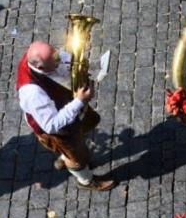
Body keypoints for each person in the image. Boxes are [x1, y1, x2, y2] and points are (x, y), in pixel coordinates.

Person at [16, 41, 116, 191]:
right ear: (40, 67)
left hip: (65, 106)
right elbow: (52, 125)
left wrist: (86, 65)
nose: (60, 60)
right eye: (55, 61)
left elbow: (62, 59)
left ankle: (64, 157)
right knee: (76, 157)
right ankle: (85, 181)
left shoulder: (40, 57)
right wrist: (79, 101)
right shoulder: (32, 93)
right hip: (58, 130)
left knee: (87, 126)